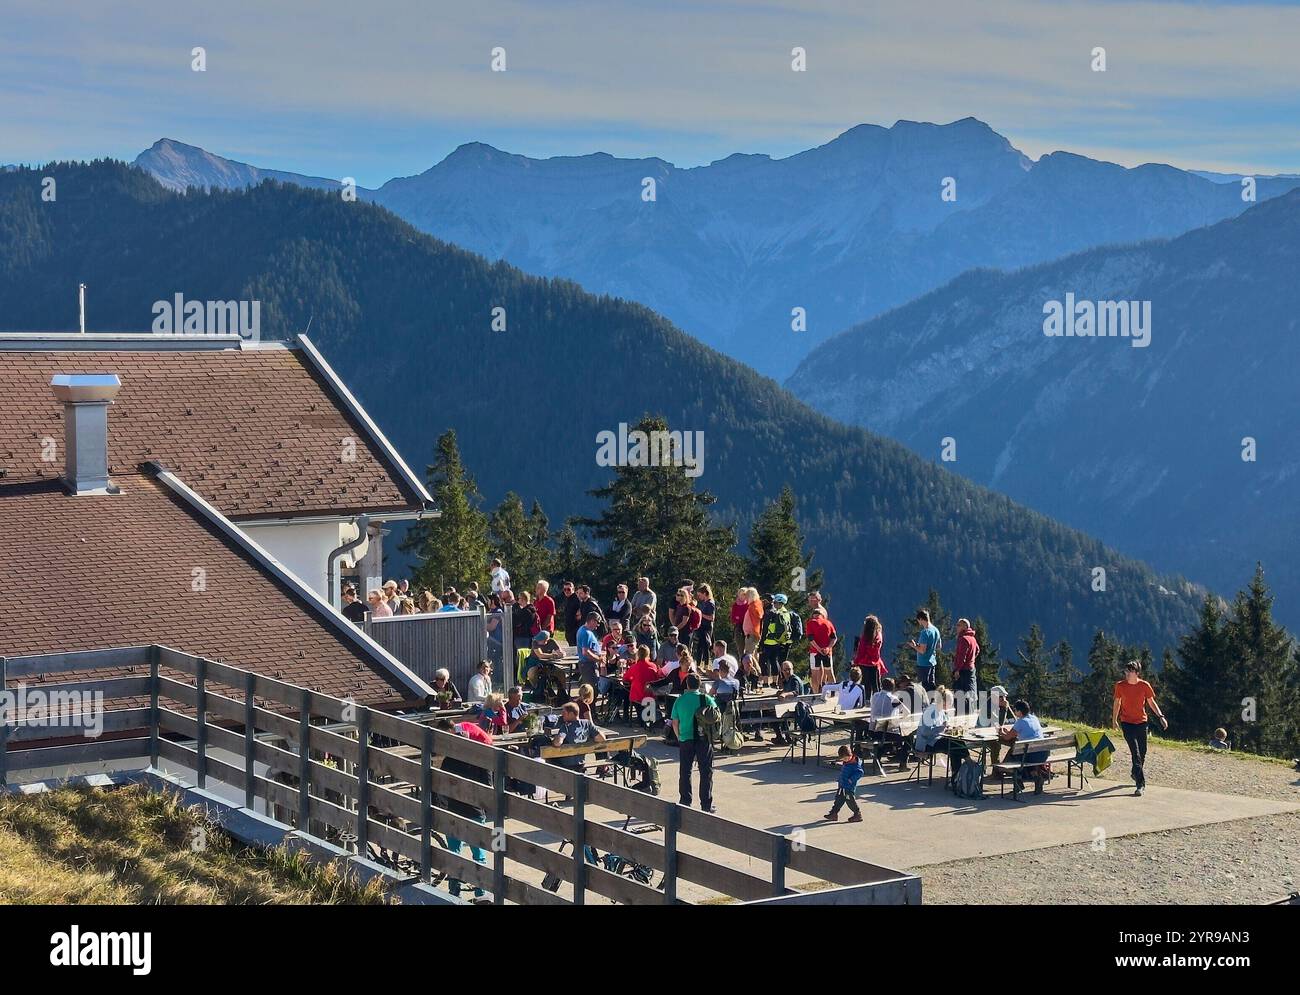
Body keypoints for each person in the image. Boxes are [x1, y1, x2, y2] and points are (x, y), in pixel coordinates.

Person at [432, 720, 492, 900]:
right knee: (479, 853)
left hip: (453, 809)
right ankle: (481, 891)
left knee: (454, 851)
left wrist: (441, 806)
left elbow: (441, 785)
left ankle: (454, 889)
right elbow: (488, 787)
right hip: (474, 811)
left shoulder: (449, 761)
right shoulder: (482, 761)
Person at [1111, 660, 1168, 797]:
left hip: (1142, 722)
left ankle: (1134, 772)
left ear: (1137, 673)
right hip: (1127, 723)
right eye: (1126, 671)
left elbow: (1151, 702)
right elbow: (1117, 703)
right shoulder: (1120, 686)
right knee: (1135, 753)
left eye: (1130, 671)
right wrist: (1114, 720)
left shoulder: (1144, 685)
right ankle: (1140, 785)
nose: (1127, 674)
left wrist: (1161, 717)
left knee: (1142, 752)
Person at [670, 673, 717, 813]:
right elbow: (715, 716)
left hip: (685, 739)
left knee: (685, 771)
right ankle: (706, 804)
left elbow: (674, 722)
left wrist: (679, 737)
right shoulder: (706, 699)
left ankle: (685, 801)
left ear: (687, 684)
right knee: (706, 772)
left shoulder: (680, 701)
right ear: (700, 684)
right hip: (703, 739)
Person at [999, 699, 1050, 794]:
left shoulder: (1020, 722)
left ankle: (1018, 784)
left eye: (1015, 710)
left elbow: (1007, 738)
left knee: (1012, 757)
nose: (1014, 712)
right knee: (1023, 755)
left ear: (1019, 711)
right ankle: (1037, 778)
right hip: (1043, 754)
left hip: (1031, 755)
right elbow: (1020, 733)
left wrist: (1001, 732)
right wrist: (1009, 732)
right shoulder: (1034, 718)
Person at [550, 702, 605, 771]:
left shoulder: (566, 727)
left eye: (564, 713)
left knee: (549, 759)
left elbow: (557, 743)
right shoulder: (587, 724)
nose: (562, 715)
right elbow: (601, 738)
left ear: (571, 714)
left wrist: (556, 737)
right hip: (581, 763)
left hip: (567, 764)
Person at [759, 593, 793, 689]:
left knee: (763, 661)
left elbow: (765, 628)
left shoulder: (770, 613)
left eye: (775, 602)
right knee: (774, 661)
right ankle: (775, 682)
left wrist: (762, 642)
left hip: (768, 641)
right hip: (778, 641)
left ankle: (766, 683)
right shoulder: (785, 613)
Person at [824, 745, 864, 823]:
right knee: (838, 799)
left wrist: (851, 780)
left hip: (849, 787)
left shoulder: (855, 764)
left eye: (846, 758)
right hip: (842, 784)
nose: (845, 760)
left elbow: (860, 773)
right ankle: (833, 813)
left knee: (850, 801)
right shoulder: (846, 762)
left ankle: (857, 814)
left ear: (851, 755)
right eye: (844, 759)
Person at [625, 644, 664, 725]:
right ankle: (649, 719)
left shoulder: (634, 667)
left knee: (636, 699)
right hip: (650, 695)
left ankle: (643, 719)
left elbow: (625, 678)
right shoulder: (653, 666)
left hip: (637, 696)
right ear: (648, 654)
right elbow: (657, 678)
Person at [805, 604, 837, 693]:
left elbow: (810, 639)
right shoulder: (828, 623)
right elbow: (834, 638)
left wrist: (819, 649)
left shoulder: (810, 623)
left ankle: (815, 694)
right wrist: (828, 648)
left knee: (814, 674)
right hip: (827, 653)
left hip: (815, 652)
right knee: (830, 673)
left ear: (813, 615)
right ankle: (833, 693)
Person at [852, 614, 886, 694]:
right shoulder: (878, 636)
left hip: (864, 663)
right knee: (876, 684)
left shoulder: (865, 637)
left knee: (865, 684)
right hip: (875, 663)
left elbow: (861, 651)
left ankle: (866, 700)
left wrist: (856, 661)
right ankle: (877, 699)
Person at [908, 609, 941, 692]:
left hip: (923, 663)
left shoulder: (925, 632)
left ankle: (924, 704)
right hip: (932, 662)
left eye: (918, 620)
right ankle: (933, 703)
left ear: (921, 619)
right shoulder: (936, 630)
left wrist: (914, 646)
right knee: (931, 685)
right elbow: (939, 646)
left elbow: (922, 651)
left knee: (923, 687)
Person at [951, 618, 979, 713]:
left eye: (959, 625)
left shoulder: (963, 639)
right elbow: (977, 650)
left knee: (960, 695)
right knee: (970, 694)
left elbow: (961, 656)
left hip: (963, 671)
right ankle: (970, 713)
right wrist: (971, 660)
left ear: (965, 627)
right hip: (971, 669)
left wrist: (957, 669)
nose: (956, 627)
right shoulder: (972, 638)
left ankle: (961, 716)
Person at [575, 613, 605, 688]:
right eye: (597, 623)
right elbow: (585, 652)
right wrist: (599, 659)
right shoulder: (586, 633)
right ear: (592, 621)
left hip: (587, 664)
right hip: (588, 665)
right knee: (592, 689)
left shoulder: (583, 629)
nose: (597, 625)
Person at [693, 583, 716, 662]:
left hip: (707, 627)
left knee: (705, 646)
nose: (699, 597)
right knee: (700, 646)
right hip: (702, 626)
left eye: (700, 595)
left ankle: (706, 663)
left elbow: (711, 617)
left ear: (705, 594)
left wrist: (701, 614)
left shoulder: (710, 603)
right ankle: (699, 663)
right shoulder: (704, 603)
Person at [511, 589, 537, 655]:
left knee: (521, 656)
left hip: (523, 636)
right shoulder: (531, 609)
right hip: (529, 636)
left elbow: (517, 622)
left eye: (519, 598)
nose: (518, 600)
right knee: (525, 654)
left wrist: (514, 614)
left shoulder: (526, 611)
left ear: (523, 599)